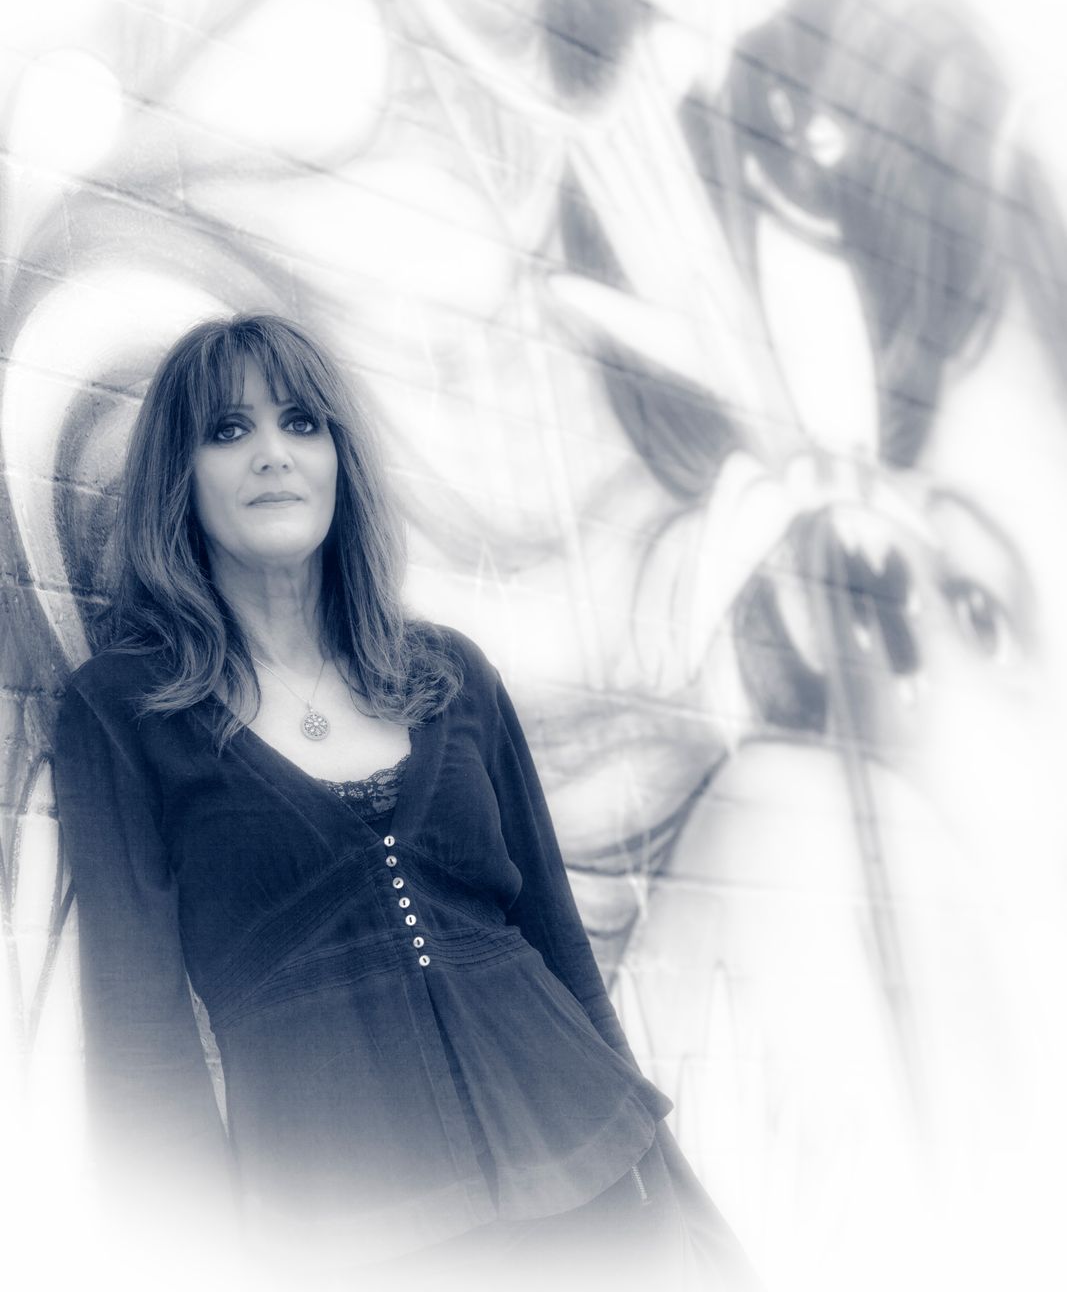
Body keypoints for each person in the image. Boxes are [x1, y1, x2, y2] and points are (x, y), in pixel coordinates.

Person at [52, 312, 759, 1292]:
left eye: (302, 423)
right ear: (181, 474)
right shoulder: (125, 710)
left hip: (599, 1186)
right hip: (353, 1238)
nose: (272, 453)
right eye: (228, 429)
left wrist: (670, 1179)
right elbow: (141, 1043)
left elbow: (558, 946)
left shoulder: (450, 676)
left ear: (339, 459)